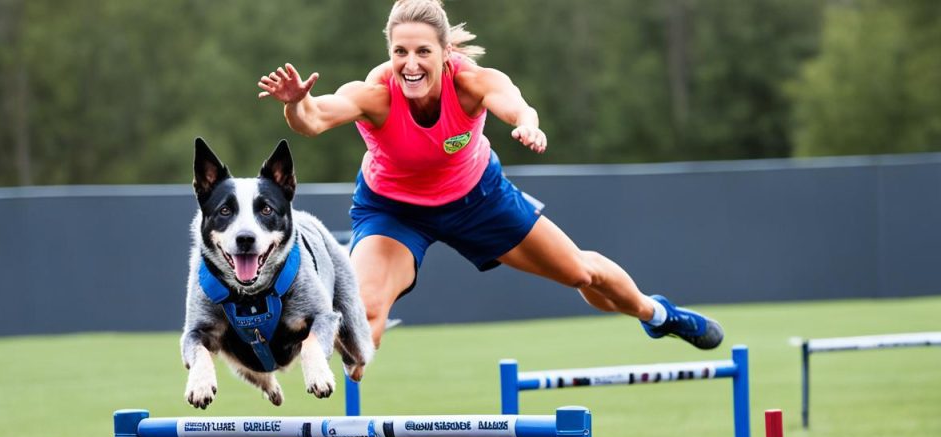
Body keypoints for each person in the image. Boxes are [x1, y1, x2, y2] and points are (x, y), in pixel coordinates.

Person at [257, 0, 722, 352]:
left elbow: (513, 100)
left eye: (423, 52)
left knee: (581, 272)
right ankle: (336, 358)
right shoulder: (376, 94)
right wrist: (296, 102)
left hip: (478, 199)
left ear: (446, 52)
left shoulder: (471, 83)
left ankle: (656, 313)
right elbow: (314, 120)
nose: (411, 64)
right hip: (394, 212)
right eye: (400, 52)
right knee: (366, 313)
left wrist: (526, 123)